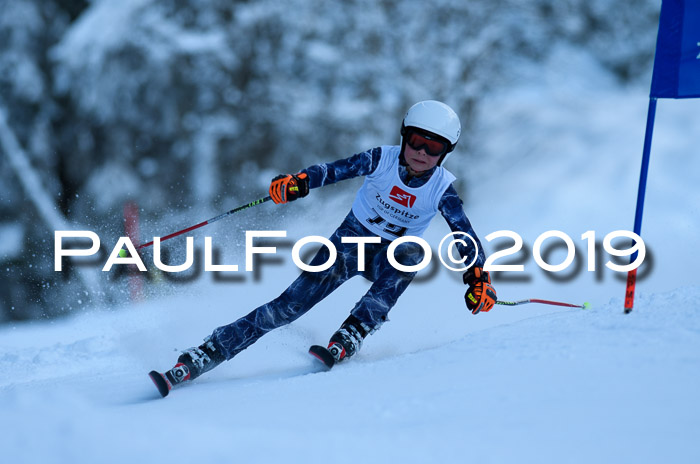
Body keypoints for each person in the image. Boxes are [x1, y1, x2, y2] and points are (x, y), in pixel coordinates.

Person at [150, 100, 497, 396]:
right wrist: (299, 182)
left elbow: (463, 234)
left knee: (411, 254)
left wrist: (478, 276)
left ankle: (355, 329)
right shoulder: (381, 160)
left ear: (445, 153)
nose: (422, 153)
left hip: (391, 256)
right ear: (404, 137)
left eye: (433, 147)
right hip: (350, 242)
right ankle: (207, 352)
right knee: (286, 308)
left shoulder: (441, 188)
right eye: (418, 141)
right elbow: (334, 170)